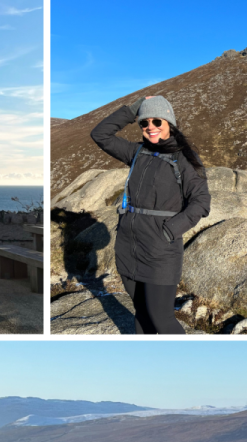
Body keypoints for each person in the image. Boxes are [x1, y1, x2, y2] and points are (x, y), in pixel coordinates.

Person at [91, 95, 211, 334]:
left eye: (157, 121)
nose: (150, 127)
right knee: (142, 314)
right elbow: (100, 134)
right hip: (129, 247)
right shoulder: (137, 152)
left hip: (160, 250)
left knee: (161, 318)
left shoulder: (183, 159)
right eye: (144, 123)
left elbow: (201, 202)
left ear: (170, 124)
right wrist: (133, 109)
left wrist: (169, 230)